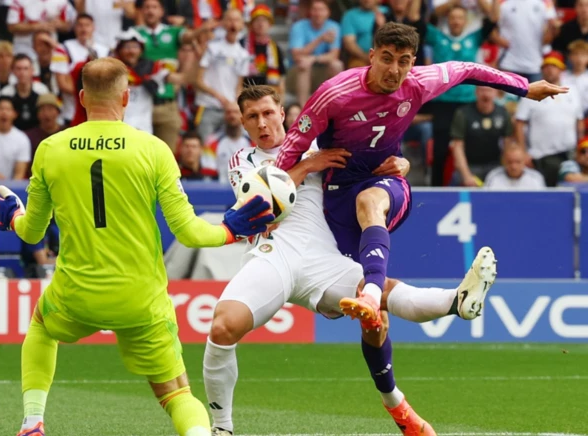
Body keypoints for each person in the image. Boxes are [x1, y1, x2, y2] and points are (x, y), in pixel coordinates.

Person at [274, 22, 566, 429]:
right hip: (336, 200)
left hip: (386, 183)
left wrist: (523, 87)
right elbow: (287, 153)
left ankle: (373, 291)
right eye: (388, 59)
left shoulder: (419, 82)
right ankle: (406, 398)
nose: (395, 70)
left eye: (405, 61)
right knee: (375, 323)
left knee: (370, 206)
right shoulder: (335, 93)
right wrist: (299, 172)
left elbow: (467, 68)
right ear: (371, 56)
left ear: (413, 63)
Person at [0, 57, 274, 436]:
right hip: (141, 299)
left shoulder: (51, 148)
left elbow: (32, 234)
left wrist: (12, 216)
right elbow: (189, 233)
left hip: (76, 293)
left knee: (41, 327)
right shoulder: (153, 149)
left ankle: (32, 421)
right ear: (127, 96)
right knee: (176, 393)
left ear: (83, 97)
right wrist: (230, 228)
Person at [204, 85, 498, 436]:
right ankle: (221, 428)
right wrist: (308, 166)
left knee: (379, 300)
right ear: (243, 122)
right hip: (274, 255)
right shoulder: (243, 161)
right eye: (252, 117)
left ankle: (456, 302)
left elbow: (374, 158)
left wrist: (399, 163)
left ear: (283, 113)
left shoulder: (320, 144)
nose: (262, 123)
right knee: (223, 327)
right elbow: (263, 204)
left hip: (322, 259)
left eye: (268, 113)